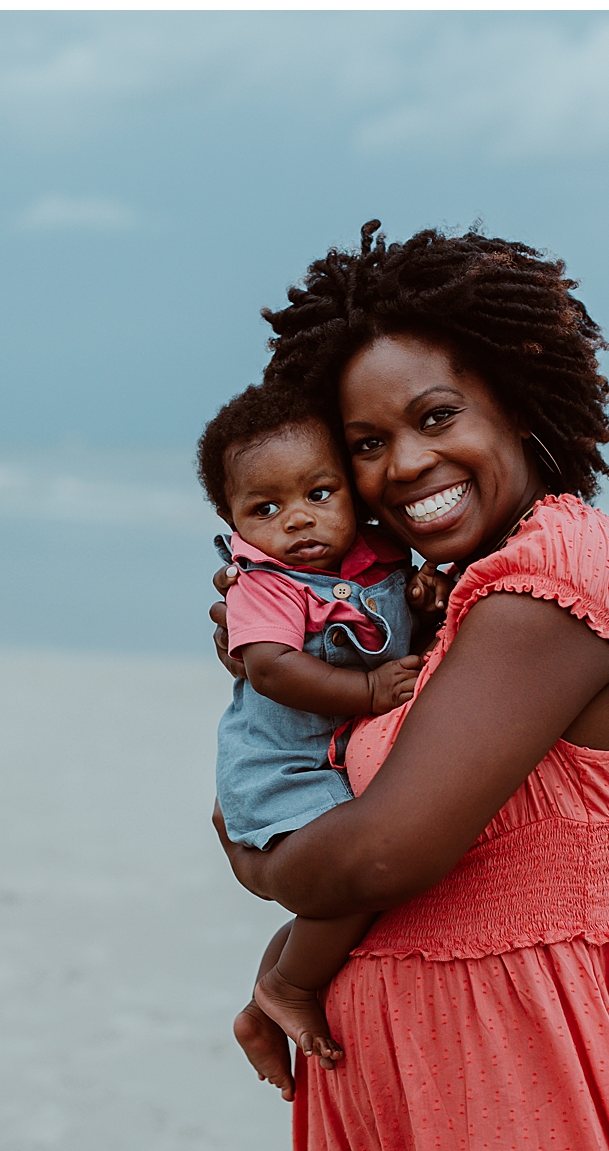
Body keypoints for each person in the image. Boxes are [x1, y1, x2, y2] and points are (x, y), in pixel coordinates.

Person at [209, 222, 609, 1151]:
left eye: (436, 416)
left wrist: (253, 862)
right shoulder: (452, 593)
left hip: (511, 1074)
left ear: (515, 401)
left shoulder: (550, 584)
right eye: (363, 445)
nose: (405, 464)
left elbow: (388, 851)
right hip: (423, 1067)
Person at [196, 383, 450, 1087]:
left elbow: (409, 635)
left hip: (338, 767)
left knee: (354, 897)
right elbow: (272, 669)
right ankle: (287, 989)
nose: (299, 522)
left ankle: (269, 988)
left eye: (319, 494)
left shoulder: (382, 560)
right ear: (233, 520)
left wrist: (430, 605)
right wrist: (368, 691)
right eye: (267, 508)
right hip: (283, 768)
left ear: (352, 491)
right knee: (362, 875)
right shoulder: (265, 583)